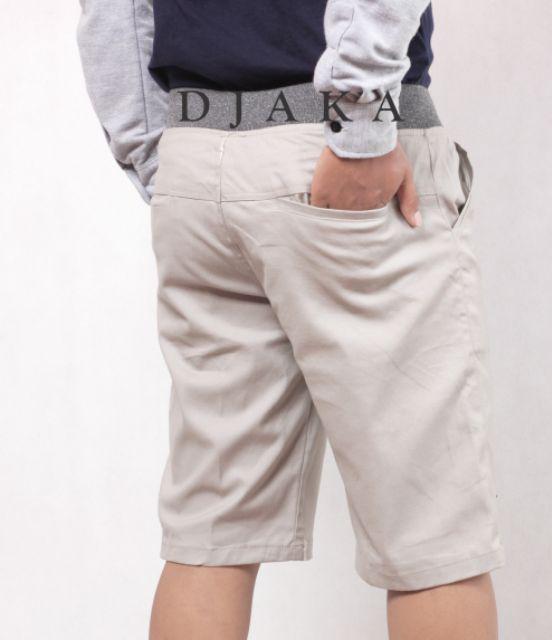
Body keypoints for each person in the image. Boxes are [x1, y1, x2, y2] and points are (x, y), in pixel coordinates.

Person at [77, 1, 505, 638]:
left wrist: (159, 156)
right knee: (432, 536)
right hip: (333, 143)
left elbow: (111, 13)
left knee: (213, 529)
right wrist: (360, 118)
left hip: (198, 157)